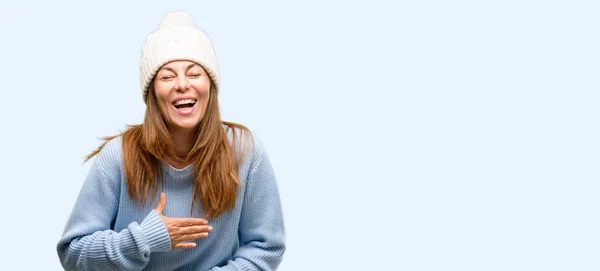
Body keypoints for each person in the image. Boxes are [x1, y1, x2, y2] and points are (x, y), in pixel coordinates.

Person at [57, 11, 285, 271]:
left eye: (194, 73)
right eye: (167, 76)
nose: (182, 85)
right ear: (153, 92)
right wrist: (142, 239)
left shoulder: (245, 151)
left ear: (210, 86)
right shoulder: (118, 155)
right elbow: (72, 253)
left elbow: (266, 247)